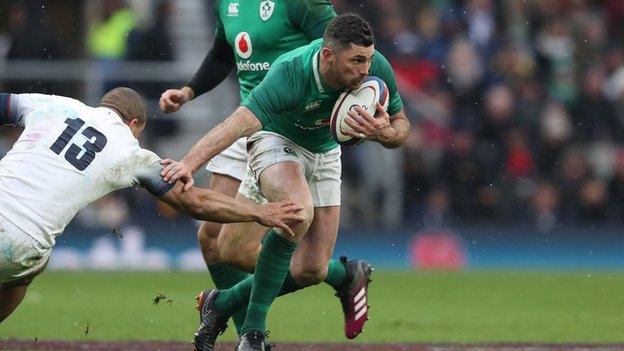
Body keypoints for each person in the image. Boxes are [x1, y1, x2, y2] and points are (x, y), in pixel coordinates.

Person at [161, 14, 410, 351]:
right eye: (356, 61)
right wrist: (189, 163)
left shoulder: (376, 66)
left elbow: (400, 124)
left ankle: (219, 304)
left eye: (368, 58)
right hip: (277, 139)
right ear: (327, 56)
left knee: (310, 269)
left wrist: (387, 134)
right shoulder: (290, 72)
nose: (366, 69)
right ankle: (253, 334)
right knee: (297, 212)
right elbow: (236, 125)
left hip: (326, 151)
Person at [0, 87, 304, 324]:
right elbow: (196, 203)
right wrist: (259, 211)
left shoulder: (55, 105)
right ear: (135, 124)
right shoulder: (131, 152)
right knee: (24, 273)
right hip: (22, 242)